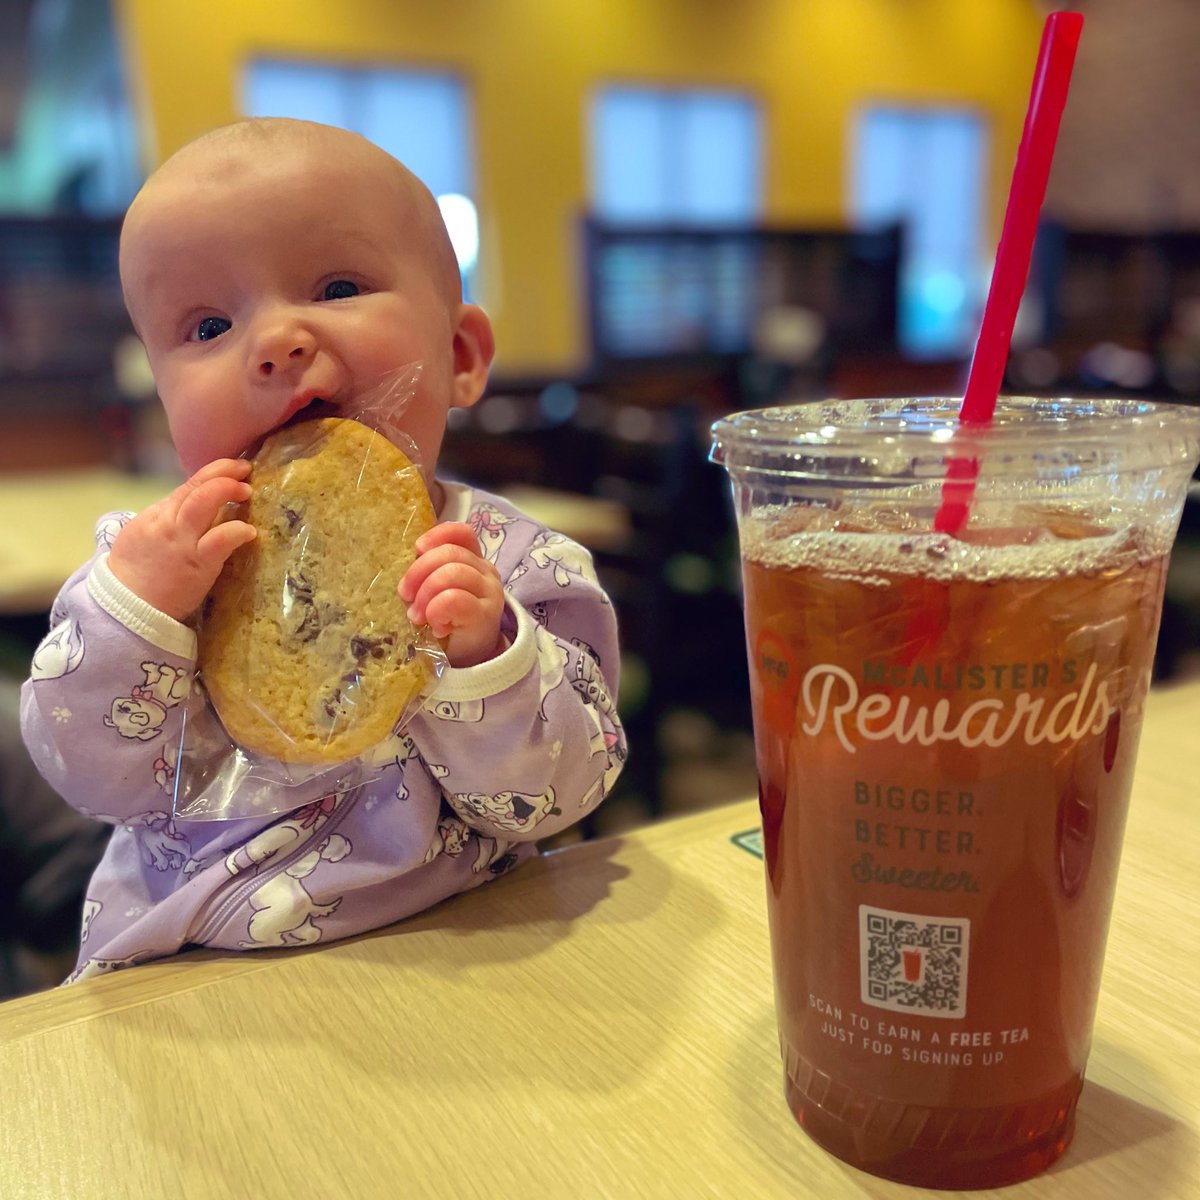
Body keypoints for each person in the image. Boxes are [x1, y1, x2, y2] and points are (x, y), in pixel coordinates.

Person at [19, 118, 626, 982]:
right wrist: (136, 615)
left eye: (338, 285)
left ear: (458, 354)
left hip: (466, 953)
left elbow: (561, 798)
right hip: (192, 963)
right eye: (208, 326)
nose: (276, 342)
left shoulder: (519, 566)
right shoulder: (155, 565)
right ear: (159, 398)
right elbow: (88, 774)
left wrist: (488, 660)